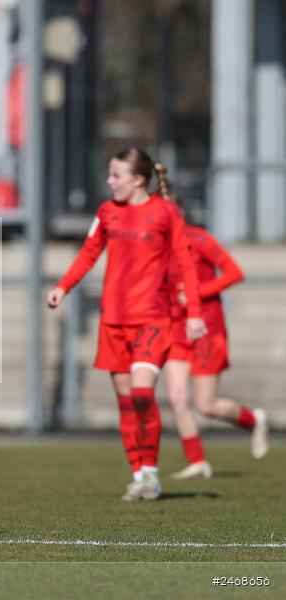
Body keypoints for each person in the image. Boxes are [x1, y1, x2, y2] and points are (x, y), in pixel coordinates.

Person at [47, 149, 207, 501]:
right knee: (125, 402)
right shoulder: (107, 212)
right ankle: (139, 475)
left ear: (138, 180)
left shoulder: (166, 212)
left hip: (152, 319)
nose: (109, 181)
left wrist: (194, 312)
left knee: (141, 393)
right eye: (109, 174)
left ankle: (150, 470)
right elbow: (89, 253)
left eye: (116, 175)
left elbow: (185, 263)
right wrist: (63, 286)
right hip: (113, 321)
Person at [163, 199, 269, 479]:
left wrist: (199, 291)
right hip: (176, 330)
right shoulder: (156, 247)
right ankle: (198, 461)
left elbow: (235, 272)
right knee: (175, 398)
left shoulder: (198, 238)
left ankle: (253, 419)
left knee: (206, 405)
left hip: (206, 328)